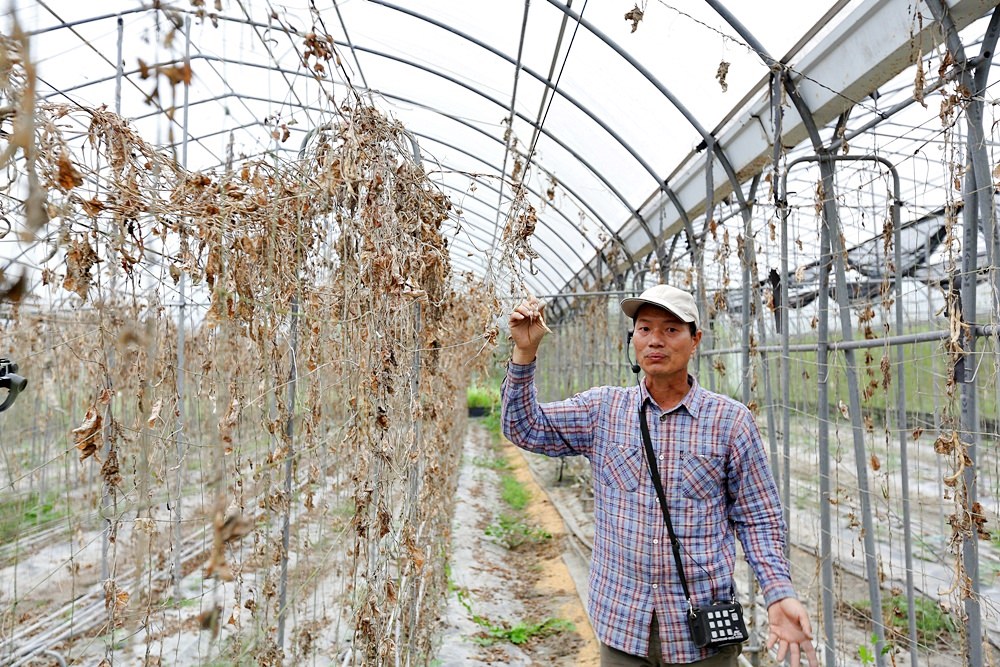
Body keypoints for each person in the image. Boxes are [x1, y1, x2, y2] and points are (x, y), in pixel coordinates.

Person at [501, 284, 818, 667]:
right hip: (622, 623)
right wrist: (524, 352)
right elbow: (524, 427)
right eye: (645, 329)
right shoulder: (603, 410)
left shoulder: (729, 422)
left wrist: (778, 592)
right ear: (632, 338)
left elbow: (758, 518)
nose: (655, 341)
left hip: (700, 633)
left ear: (695, 339)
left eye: (671, 330)